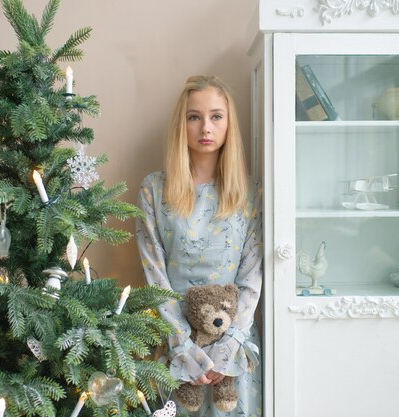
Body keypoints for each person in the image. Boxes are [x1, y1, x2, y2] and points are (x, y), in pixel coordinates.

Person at [136, 75, 263, 417]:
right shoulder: (153, 190)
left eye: (216, 116)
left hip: (232, 354)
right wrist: (186, 348)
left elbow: (251, 278)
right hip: (175, 350)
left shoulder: (250, 192)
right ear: (182, 124)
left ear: (228, 123)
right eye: (194, 117)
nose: (205, 127)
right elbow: (155, 278)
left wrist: (227, 350)